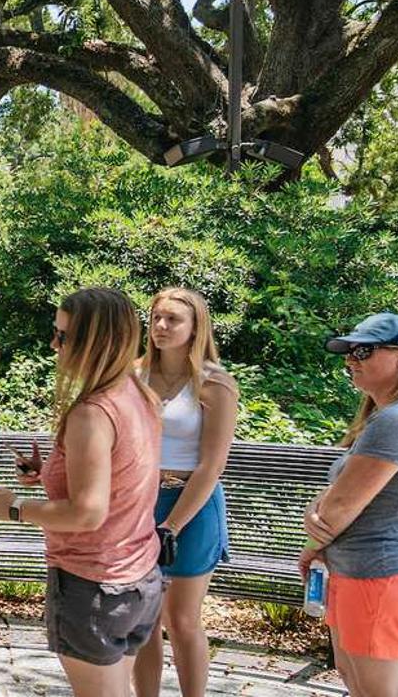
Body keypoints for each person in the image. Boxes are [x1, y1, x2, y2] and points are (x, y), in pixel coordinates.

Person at [0, 288, 163, 697]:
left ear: (98, 341)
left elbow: (87, 513)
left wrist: (13, 507)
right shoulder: (140, 395)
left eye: (63, 336)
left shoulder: (92, 413)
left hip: (94, 587)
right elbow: (121, 480)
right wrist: (47, 475)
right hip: (138, 580)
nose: (53, 345)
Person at [301, 313, 398, 697]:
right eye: (349, 352)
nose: (351, 360)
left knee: (375, 691)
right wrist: (314, 511)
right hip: (361, 573)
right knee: (361, 684)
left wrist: (313, 538)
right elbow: (335, 496)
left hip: (381, 578)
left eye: (364, 351)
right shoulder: (391, 417)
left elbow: (337, 509)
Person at [135, 289, 238, 697]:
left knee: (181, 620)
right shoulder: (132, 374)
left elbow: (212, 466)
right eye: (156, 318)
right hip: (140, 502)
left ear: (196, 327)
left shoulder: (215, 384)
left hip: (191, 507)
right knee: (143, 619)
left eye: (173, 320)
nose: (161, 326)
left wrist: (170, 527)